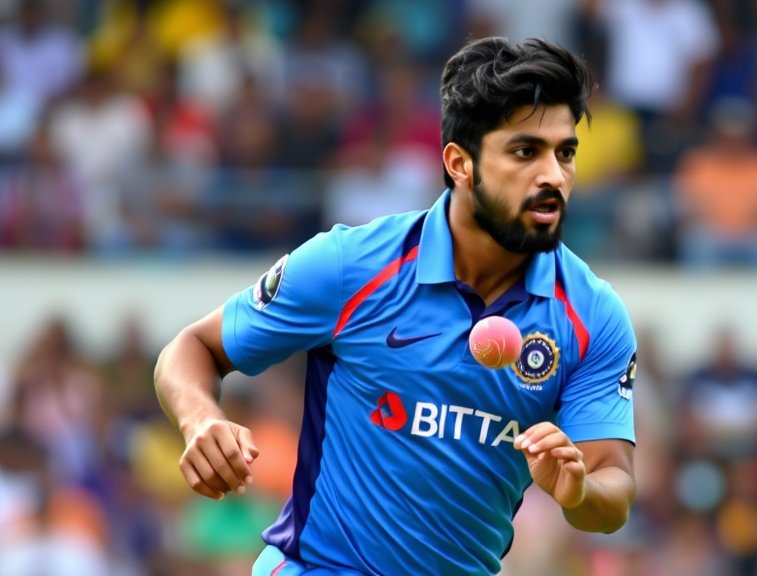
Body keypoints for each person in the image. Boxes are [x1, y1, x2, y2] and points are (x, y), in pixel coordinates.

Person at [153, 36, 639, 576]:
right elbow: (192, 347)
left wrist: (577, 489)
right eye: (525, 152)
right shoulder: (350, 266)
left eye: (565, 152)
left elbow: (613, 493)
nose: (553, 175)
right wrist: (200, 419)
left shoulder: (593, 317)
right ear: (459, 163)